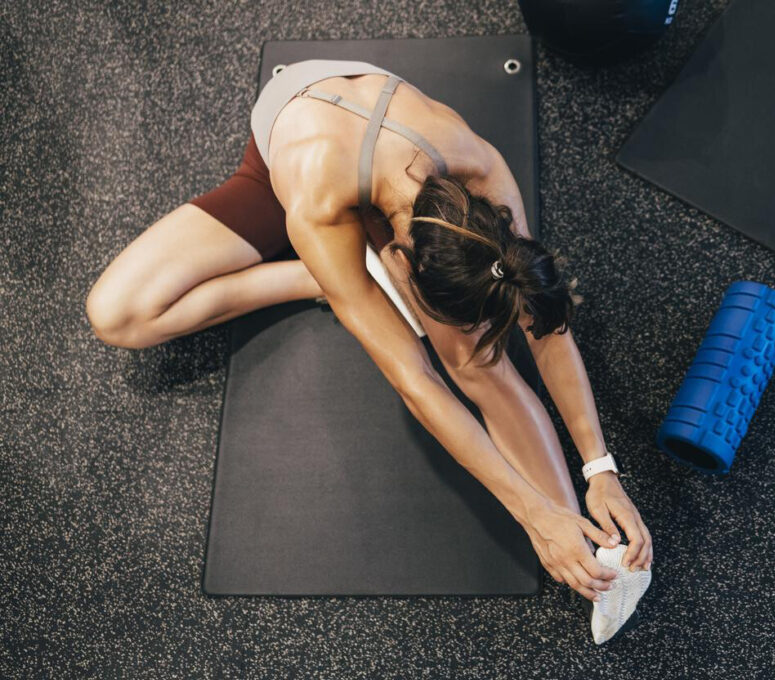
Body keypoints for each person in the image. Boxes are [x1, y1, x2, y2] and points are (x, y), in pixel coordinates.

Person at [85, 59, 653, 606]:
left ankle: (589, 551)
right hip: (302, 165)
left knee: (477, 362)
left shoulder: (478, 168)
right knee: (117, 314)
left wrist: (599, 468)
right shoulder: (317, 206)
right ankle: (337, 277)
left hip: (392, 159)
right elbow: (417, 380)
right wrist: (532, 514)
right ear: (405, 262)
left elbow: (547, 325)